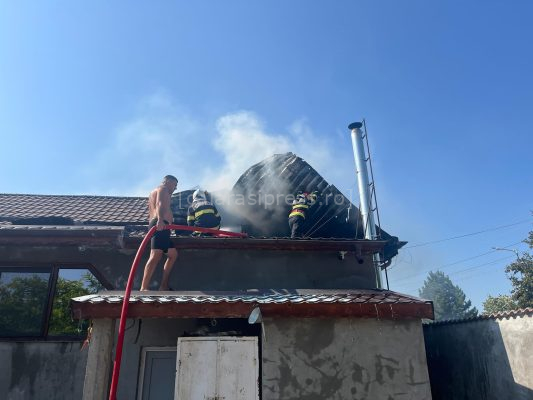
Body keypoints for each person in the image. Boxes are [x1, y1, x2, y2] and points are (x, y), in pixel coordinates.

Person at [140, 175, 179, 291]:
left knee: (173, 254)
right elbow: (159, 204)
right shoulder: (163, 189)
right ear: (168, 181)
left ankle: (163, 285)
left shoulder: (154, 192)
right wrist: (161, 220)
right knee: (155, 255)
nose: (175, 188)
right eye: (174, 185)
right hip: (160, 225)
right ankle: (144, 288)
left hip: (162, 226)